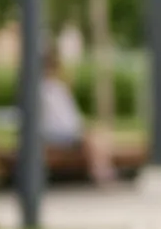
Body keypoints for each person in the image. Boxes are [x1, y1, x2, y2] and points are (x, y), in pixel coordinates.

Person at [36, 56, 116, 186]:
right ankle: (100, 171)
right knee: (93, 138)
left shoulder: (58, 88)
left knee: (99, 134)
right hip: (55, 133)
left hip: (67, 132)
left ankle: (101, 169)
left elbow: (70, 117)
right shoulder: (42, 89)